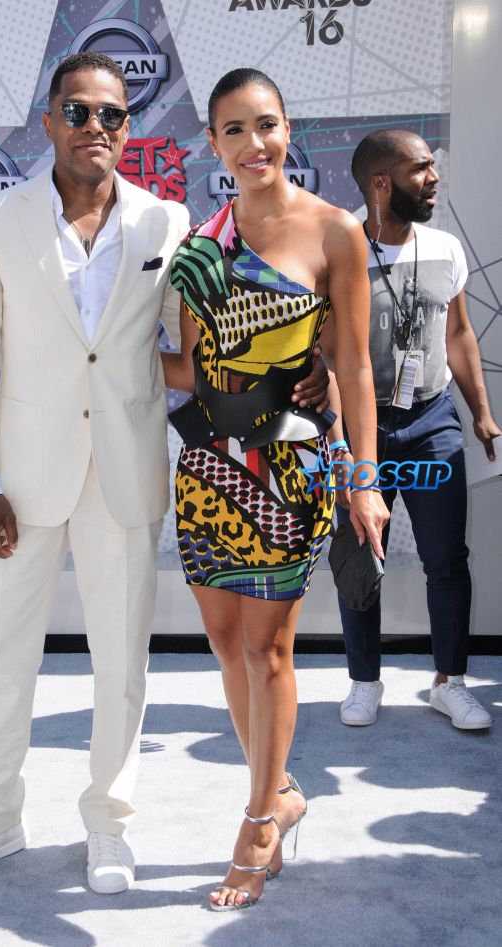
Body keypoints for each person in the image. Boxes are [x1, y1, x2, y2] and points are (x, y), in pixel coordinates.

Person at [0, 53, 328, 895]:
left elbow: (201, 354)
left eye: (111, 115)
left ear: (128, 127)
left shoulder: (164, 223)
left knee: (122, 664)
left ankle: (108, 825)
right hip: (21, 486)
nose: (95, 129)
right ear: (47, 123)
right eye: (77, 113)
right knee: (1, 661)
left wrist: (302, 373)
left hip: (124, 471)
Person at [161, 68, 389, 911]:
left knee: (268, 651)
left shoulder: (335, 234)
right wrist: (97, 359)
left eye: (266, 125)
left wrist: (363, 479)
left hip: (291, 472)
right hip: (209, 467)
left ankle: (260, 822)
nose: (253, 144)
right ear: (213, 143)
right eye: (233, 130)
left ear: (289, 129)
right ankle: (282, 787)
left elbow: (358, 366)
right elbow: (194, 368)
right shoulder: (198, 248)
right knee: (225, 646)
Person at [327, 129, 500, 730]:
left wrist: (479, 410)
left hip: (431, 421)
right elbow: (323, 354)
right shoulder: (338, 249)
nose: (433, 178)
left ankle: (450, 682)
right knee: (358, 550)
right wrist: (335, 435)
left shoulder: (445, 249)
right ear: (381, 182)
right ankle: (363, 680)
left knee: (447, 558)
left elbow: (458, 335)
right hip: (360, 425)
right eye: (421, 169)